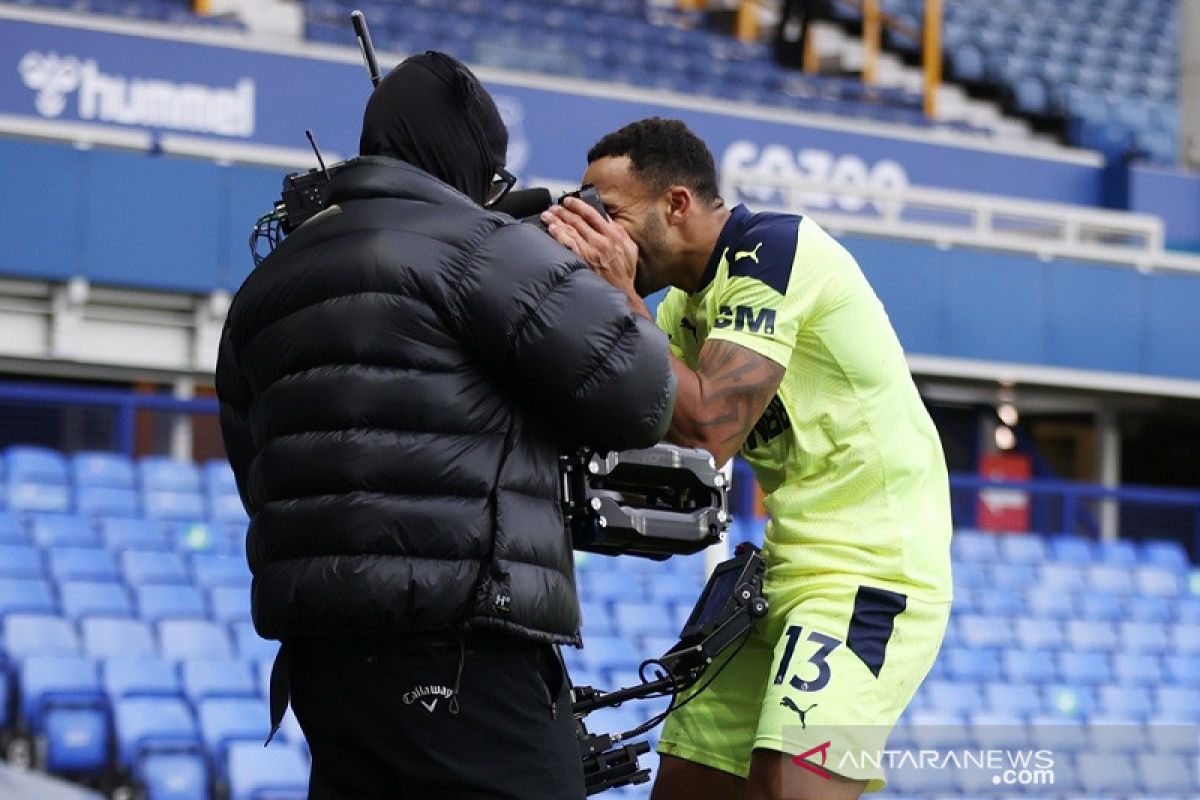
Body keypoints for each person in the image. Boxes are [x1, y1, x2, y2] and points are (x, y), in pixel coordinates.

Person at [215, 54, 676, 800]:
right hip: (462, 646)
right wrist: (619, 286)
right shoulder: (482, 247)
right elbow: (641, 396)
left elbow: (258, 472)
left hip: (322, 665)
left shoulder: (265, 287)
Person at [541, 117, 952, 800]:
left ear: (675, 204)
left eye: (609, 213)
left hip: (873, 570)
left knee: (783, 787)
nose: (600, 235)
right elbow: (630, 419)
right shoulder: (681, 308)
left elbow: (707, 429)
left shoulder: (774, 251)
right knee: (686, 782)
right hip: (782, 567)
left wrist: (616, 299)